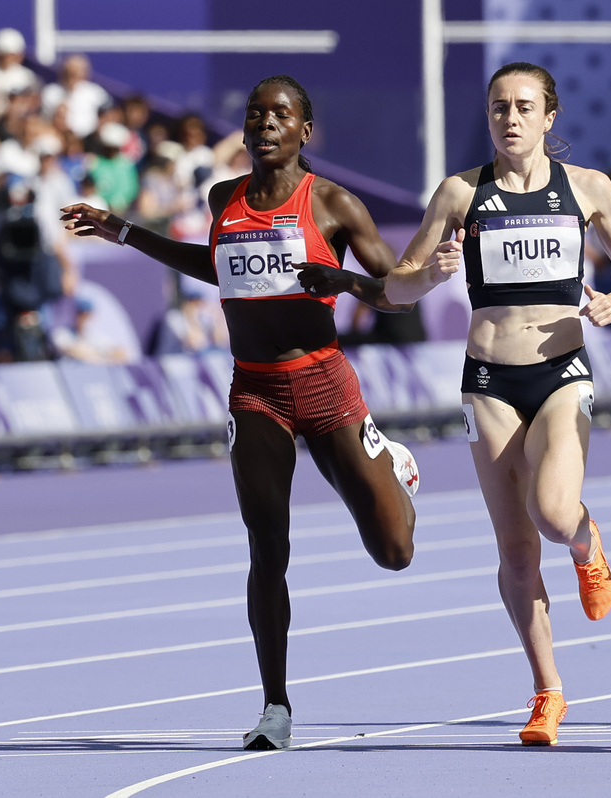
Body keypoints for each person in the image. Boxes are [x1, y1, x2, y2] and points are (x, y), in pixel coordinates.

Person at [62, 74, 420, 750]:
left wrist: (343, 279)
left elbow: (397, 293)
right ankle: (275, 707)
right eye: (255, 115)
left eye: (278, 115)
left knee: (395, 551)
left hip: (325, 386)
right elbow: (215, 266)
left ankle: (392, 465)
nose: (263, 125)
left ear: (304, 130)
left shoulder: (335, 203)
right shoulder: (223, 197)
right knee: (266, 549)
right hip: (254, 391)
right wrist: (129, 232)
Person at [386, 62, 611, 746]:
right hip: (488, 381)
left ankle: (587, 541)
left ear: (549, 117)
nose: (510, 118)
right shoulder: (459, 192)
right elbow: (396, 288)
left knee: (555, 511)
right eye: (499, 106)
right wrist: (430, 274)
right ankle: (547, 691)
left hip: (561, 370)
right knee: (516, 549)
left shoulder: (586, 189)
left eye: (524, 107)